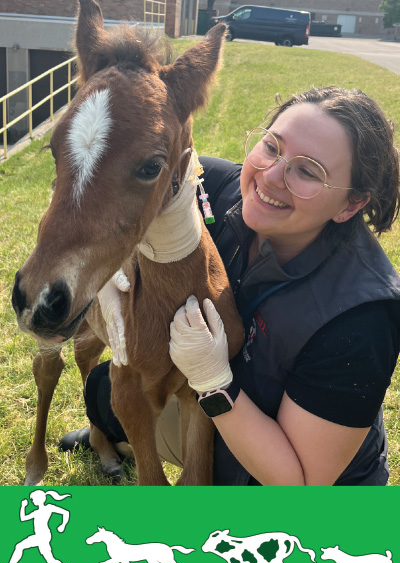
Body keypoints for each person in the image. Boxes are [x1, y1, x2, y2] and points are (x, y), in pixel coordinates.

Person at [60, 86, 400, 485]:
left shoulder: (360, 317)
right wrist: (110, 259)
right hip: (215, 417)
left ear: (351, 205)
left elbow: (300, 484)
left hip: (293, 479)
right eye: (272, 147)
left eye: (309, 171)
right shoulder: (212, 188)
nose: (270, 178)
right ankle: (120, 439)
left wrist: (214, 381)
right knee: (107, 392)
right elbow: (121, 173)